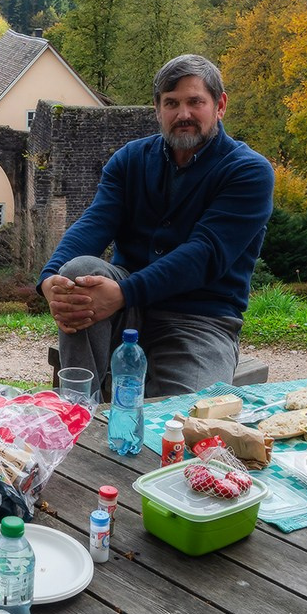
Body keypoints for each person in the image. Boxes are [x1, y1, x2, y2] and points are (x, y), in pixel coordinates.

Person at [38, 54, 274, 398]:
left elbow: (204, 255)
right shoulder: (130, 159)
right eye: (172, 103)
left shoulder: (248, 171)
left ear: (219, 105)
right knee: (77, 271)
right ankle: (79, 407)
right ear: (157, 109)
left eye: (195, 102)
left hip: (200, 322)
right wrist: (48, 279)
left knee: (179, 420)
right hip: (127, 311)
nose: (183, 115)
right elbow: (94, 224)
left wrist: (123, 293)